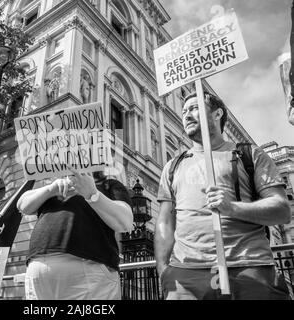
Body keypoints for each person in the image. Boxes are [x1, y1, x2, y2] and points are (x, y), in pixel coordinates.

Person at [155, 91, 292, 300]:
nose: (187, 115)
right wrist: (163, 269)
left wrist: (232, 208)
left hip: (248, 267)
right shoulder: (173, 166)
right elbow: (165, 221)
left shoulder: (250, 155)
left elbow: (282, 211)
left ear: (217, 114)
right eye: (184, 111)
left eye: (194, 108)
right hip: (185, 274)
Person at [17, 168, 133, 300]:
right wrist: (51, 189)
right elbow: (22, 204)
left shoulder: (109, 184)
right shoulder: (54, 184)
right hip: (40, 269)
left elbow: (126, 222)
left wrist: (93, 194)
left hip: (90, 268)